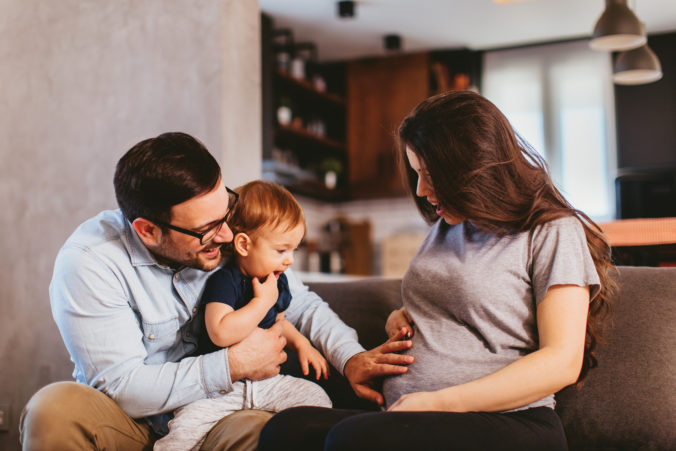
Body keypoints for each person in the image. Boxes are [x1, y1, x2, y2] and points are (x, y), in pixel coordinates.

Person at [258, 90, 616, 451]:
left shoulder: (553, 230)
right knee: (287, 429)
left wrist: (439, 402)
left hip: (510, 421)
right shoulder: (448, 228)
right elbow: (459, 308)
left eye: (431, 175)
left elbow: (562, 361)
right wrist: (400, 318)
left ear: (475, 166)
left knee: (351, 440)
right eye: (417, 174)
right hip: (416, 416)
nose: (422, 190)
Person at [19, 132, 413, 451]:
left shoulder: (225, 234)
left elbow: (302, 303)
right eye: (207, 230)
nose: (226, 235)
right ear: (147, 230)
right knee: (53, 410)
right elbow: (122, 387)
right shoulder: (91, 262)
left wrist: (350, 358)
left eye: (226, 211)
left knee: (273, 430)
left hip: (218, 413)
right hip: (131, 420)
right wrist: (232, 364)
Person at [154, 180, 333, 450]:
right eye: (281, 250)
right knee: (183, 433)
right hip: (218, 390)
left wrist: (303, 344)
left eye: (294, 250)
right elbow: (220, 331)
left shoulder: (277, 282)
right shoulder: (226, 281)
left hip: (267, 383)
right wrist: (261, 302)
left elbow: (279, 323)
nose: (290, 261)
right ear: (244, 245)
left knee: (317, 400)